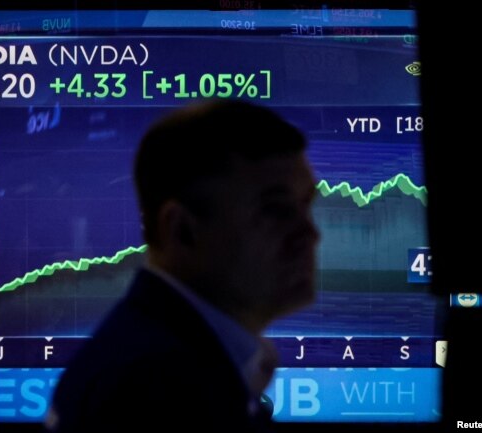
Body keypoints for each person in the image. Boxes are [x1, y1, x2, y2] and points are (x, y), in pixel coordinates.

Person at [45, 100, 319, 432]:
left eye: (306, 205)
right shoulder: (149, 390)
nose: (310, 233)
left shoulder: (169, 361)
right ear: (181, 231)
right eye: (275, 209)